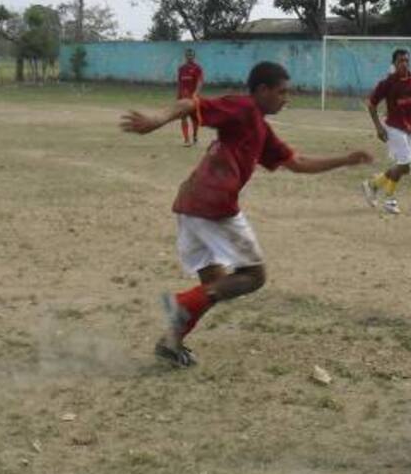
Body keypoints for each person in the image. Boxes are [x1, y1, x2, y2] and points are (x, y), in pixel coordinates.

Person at [120, 62, 374, 366]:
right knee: (253, 276)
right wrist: (155, 119)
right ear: (262, 90)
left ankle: (170, 342)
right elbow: (190, 104)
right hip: (213, 206)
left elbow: (298, 163)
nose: (286, 99)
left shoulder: (261, 128)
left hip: (190, 204)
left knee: (215, 285)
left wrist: (345, 159)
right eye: (282, 92)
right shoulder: (242, 107)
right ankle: (180, 305)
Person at [361, 48, 411, 215]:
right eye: (400, 61)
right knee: (405, 163)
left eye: (406, 60)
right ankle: (389, 201)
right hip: (394, 127)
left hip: (410, 129)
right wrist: (378, 127)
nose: (404, 64)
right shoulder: (388, 82)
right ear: (394, 63)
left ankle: (373, 184)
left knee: (405, 168)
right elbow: (371, 104)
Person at [176, 49, 204, 146]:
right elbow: (180, 83)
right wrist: (179, 96)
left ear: (194, 56)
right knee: (183, 117)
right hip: (183, 98)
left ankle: (195, 137)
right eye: (188, 55)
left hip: (193, 98)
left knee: (194, 118)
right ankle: (186, 140)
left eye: (191, 55)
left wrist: (196, 94)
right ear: (185, 56)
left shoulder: (197, 68)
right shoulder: (181, 68)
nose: (189, 57)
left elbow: (200, 82)